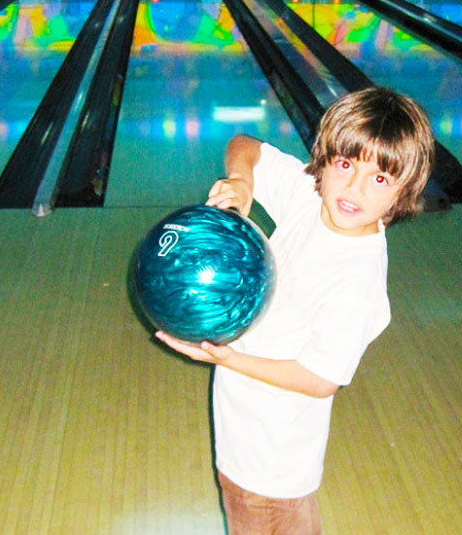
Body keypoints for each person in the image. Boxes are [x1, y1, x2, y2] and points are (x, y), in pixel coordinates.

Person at [155, 87, 435, 534]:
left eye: (379, 179)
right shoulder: (313, 196)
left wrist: (227, 359)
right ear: (324, 161)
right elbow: (244, 146)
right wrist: (243, 182)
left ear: (403, 195)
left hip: (273, 463)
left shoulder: (356, 277)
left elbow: (321, 379)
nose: (354, 188)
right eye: (346, 165)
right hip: (244, 431)